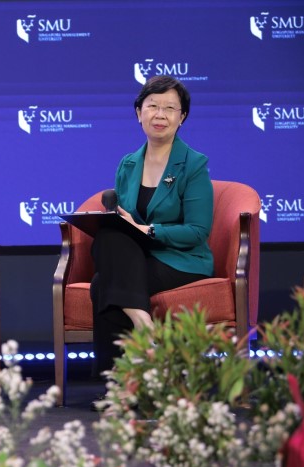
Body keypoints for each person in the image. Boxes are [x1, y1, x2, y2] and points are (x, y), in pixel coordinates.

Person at [90, 76, 214, 388]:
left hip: (181, 259)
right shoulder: (128, 163)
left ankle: (120, 387)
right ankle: (144, 326)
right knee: (108, 233)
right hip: (138, 254)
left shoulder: (193, 164)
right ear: (138, 113)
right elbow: (126, 219)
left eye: (170, 108)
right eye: (153, 106)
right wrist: (124, 223)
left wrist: (148, 230)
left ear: (181, 117)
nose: (160, 115)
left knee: (102, 283)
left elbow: (197, 231)